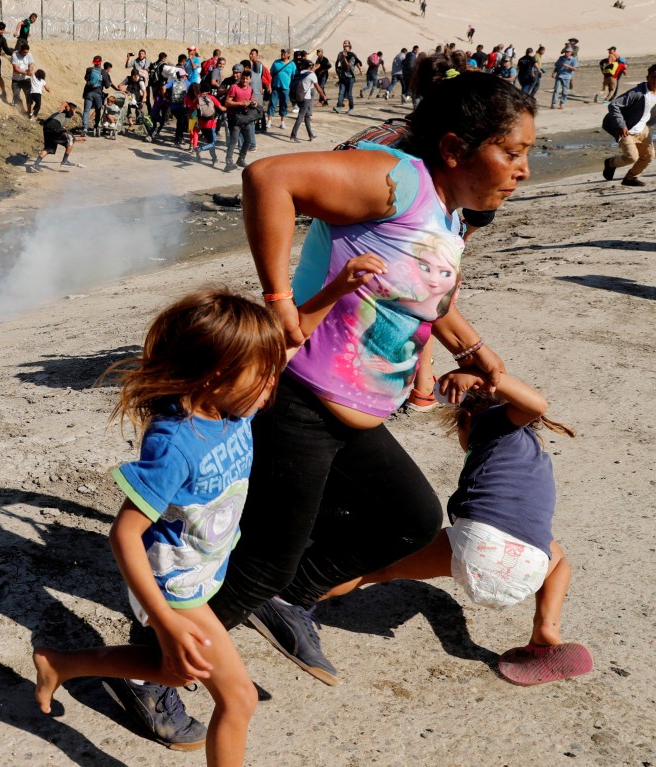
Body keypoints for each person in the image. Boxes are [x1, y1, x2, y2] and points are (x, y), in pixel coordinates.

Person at [111, 70, 536, 745]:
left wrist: (473, 350)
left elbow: (430, 288)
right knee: (260, 563)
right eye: (512, 152)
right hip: (300, 399)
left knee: (409, 520)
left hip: (355, 414)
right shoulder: (395, 181)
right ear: (456, 145)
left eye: (526, 154)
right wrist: (280, 304)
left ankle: (280, 601)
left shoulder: (453, 213)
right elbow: (267, 177)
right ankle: (152, 666)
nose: (523, 169)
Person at [35, 277, 385, 763]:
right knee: (238, 698)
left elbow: (289, 340)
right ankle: (67, 663)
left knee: (177, 671)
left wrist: (339, 290)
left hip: (205, 572)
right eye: (262, 377)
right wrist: (164, 618)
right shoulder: (174, 444)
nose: (272, 387)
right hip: (173, 587)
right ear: (215, 375)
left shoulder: (233, 408)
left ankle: (61, 663)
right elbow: (124, 533)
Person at [324, 369, 591, 686]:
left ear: (468, 418)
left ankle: (290, 600)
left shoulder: (494, 424)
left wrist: (493, 379)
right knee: (559, 561)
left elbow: (536, 404)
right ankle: (547, 628)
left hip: (482, 543)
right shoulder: (534, 455)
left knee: (376, 568)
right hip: (529, 565)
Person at [601, 63, 656, 187]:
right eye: (654, 76)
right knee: (631, 157)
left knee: (648, 156)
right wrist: (621, 125)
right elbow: (613, 104)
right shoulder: (637, 93)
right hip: (626, 129)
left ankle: (630, 178)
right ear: (647, 78)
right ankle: (610, 163)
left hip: (643, 130)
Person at [28, 102, 83, 172]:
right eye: (75, 110)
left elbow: (63, 131)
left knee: (49, 148)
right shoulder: (69, 113)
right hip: (54, 126)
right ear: (72, 109)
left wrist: (75, 138)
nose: (75, 112)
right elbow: (66, 103)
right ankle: (64, 161)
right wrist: (62, 107)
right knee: (71, 139)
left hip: (47, 127)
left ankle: (35, 165)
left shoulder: (60, 115)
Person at [224, 69, 258, 171]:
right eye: (243, 78)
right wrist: (240, 103)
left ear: (250, 79)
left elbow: (251, 99)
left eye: (246, 79)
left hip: (245, 117)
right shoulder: (234, 87)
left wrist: (254, 103)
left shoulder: (250, 89)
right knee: (234, 140)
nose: (244, 80)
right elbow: (227, 102)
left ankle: (241, 159)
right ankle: (229, 162)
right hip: (234, 117)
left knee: (248, 140)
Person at [290, 59, 324, 142]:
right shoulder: (312, 74)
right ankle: (293, 135)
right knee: (301, 116)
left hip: (298, 97)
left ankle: (310, 135)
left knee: (307, 116)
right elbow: (318, 87)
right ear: (310, 66)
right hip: (306, 98)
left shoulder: (300, 73)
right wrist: (323, 96)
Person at [333, 40, 362, 113]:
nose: (344, 45)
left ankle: (351, 108)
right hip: (343, 76)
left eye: (346, 43)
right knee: (341, 92)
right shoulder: (340, 53)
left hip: (350, 76)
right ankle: (339, 107)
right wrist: (337, 73)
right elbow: (336, 62)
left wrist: (360, 69)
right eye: (344, 43)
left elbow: (349, 65)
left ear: (349, 45)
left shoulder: (352, 54)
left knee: (349, 93)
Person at [269, 49, 295, 129]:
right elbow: (270, 74)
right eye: (282, 52)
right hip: (275, 86)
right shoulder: (276, 62)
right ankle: (269, 121)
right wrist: (269, 85)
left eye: (284, 53)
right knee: (272, 103)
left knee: (284, 105)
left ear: (288, 54)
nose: (282, 54)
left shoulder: (292, 64)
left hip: (286, 88)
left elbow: (293, 76)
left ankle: (282, 122)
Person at [10, 42, 33, 110]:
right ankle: (22, 110)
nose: (26, 54)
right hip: (16, 80)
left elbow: (31, 64)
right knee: (16, 96)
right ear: (21, 50)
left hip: (26, 80)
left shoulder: (29, 55)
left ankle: (29, 112)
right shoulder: (14, 55)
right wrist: (26, 73)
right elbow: (16, 69)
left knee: (28, 96)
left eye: (27, 52)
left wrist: (30, 69)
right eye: (24, 52)